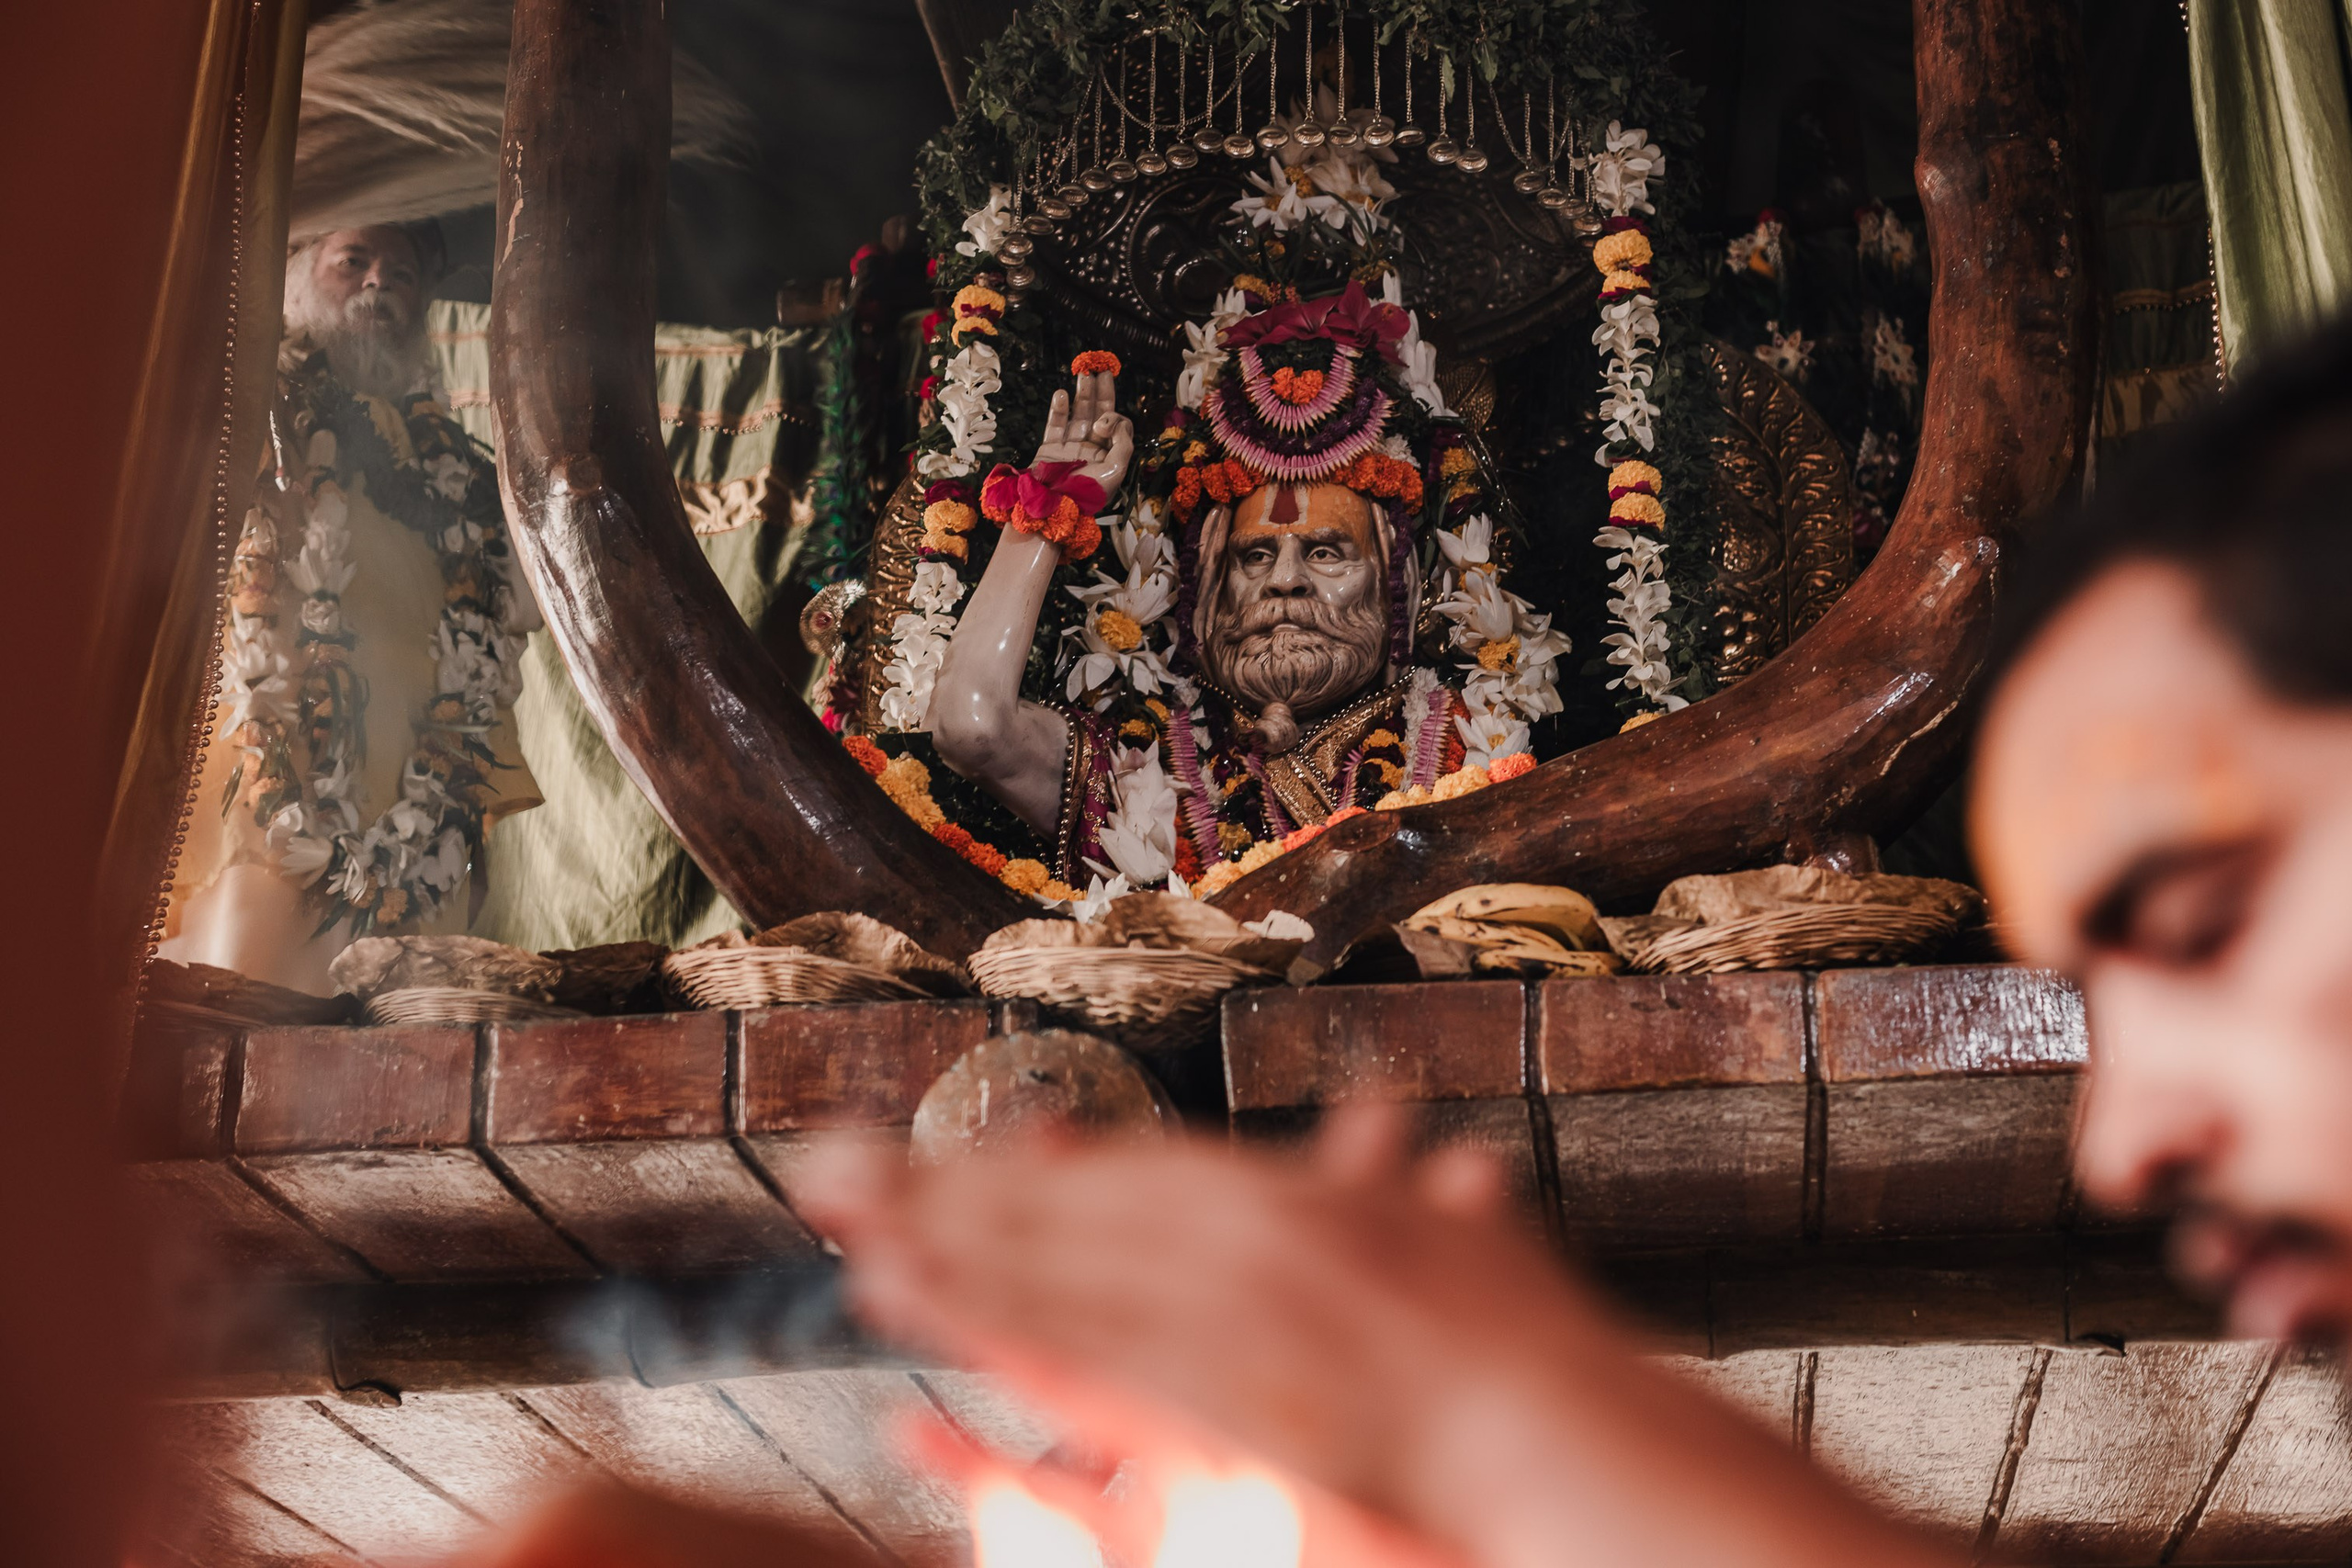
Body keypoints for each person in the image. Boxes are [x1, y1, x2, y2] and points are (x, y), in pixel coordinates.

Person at [781, 320, 2352, 1567]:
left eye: (2205, 924)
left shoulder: (1477, 754)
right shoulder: (1140, 756)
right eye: (1245, 559)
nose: (2123, 1137)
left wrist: (1501, 1413)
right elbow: (969, 720)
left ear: (1402, 592)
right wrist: (1495, 1415)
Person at [160, 224, 541, 993]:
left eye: (401, 274)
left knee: (382, 1034)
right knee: (246, 993)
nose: (379, 285)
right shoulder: (250, 409)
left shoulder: (458, 467)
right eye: (354, 263)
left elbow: (505, 623)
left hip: (412, 802)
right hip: (283, 763)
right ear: (299, 278)